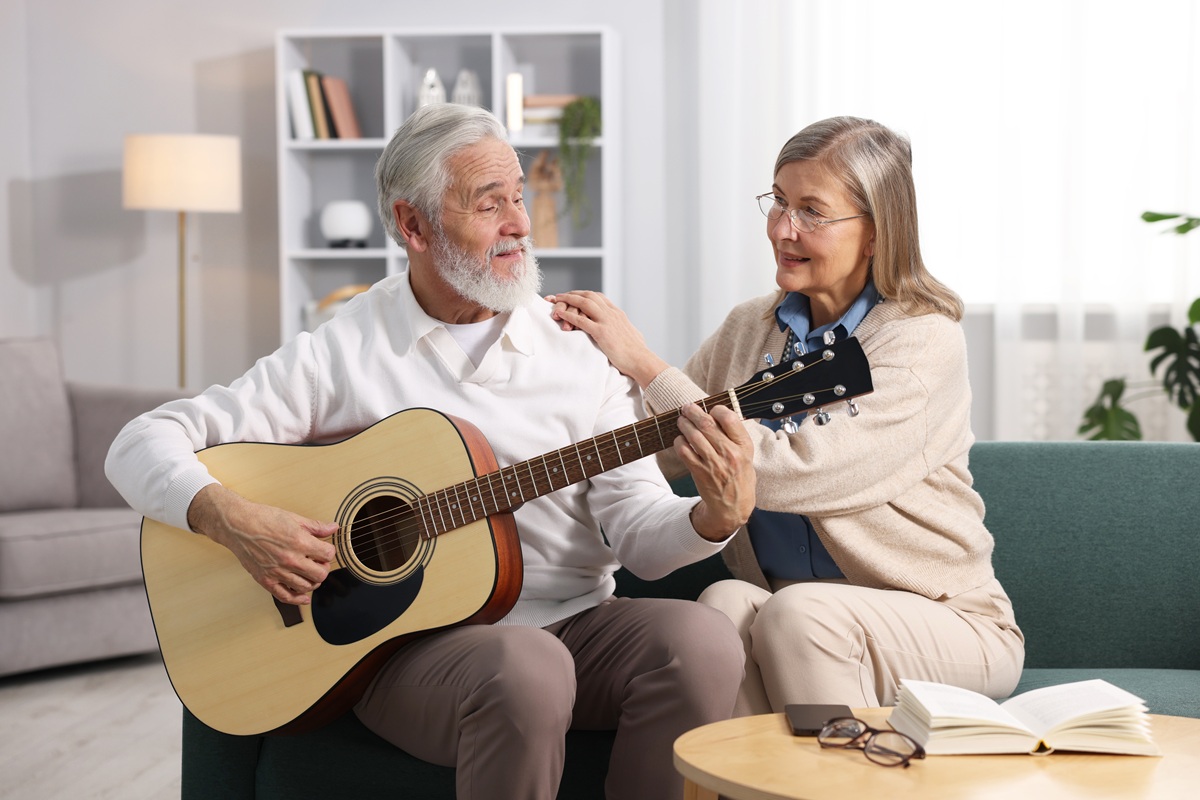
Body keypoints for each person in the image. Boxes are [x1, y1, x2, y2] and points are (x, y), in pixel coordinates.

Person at [106, 103, 754, 800]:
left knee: (704, 641)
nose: (520, 223)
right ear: (412, 225)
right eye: (488, 203)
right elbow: (140, 441)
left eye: (518, 196)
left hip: (576, 621)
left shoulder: (579, 345)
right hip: (408, 650)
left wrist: (710, 519)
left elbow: (641, 536)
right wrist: (229, 518)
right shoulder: (344, 346)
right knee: (527, 666)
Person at [548, 115, 1025, 716]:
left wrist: (645, 364)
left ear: (878, 234)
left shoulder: (921, 341)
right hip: (796, 619)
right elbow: (658, 448)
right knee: (724, 603)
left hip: (946, 620)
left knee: (801, 613)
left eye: (811, 211)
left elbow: (790, 472)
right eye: (777, 202)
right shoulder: (751, 327)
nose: (782, 229)